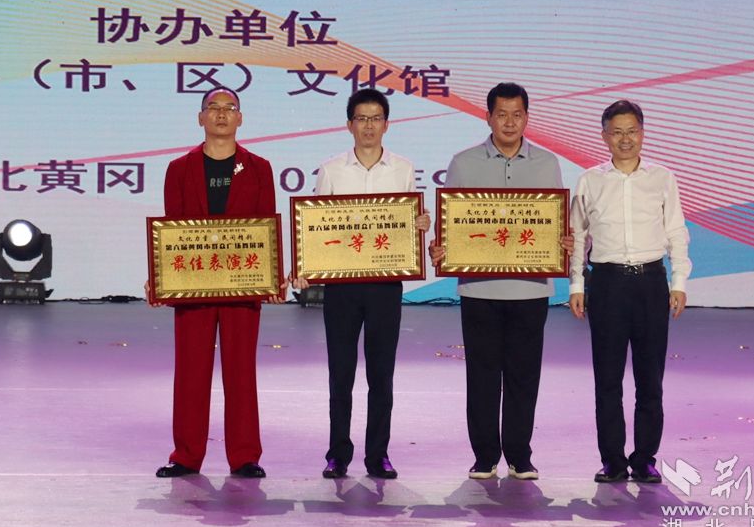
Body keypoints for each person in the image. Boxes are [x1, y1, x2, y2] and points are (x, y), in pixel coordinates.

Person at [430, 82, 569, 481]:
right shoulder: (463, 162)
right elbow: (449, 226)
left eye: (517, 114)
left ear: (527, 118)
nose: (510, 122)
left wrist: (564, 241)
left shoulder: (547, 163)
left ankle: (520, 455)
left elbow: (556, 223)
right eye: (502, 114)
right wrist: (440, 249)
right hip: (479, 288)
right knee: (482, 374)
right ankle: (485, 455)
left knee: (525, 374)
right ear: (488, 117)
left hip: (530, 287)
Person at [149, 86, 287, 478]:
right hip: (194, 283)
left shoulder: (259, 168)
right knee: (190, 371)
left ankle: (245, 456)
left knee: (241, 371)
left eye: (230, 108)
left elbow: (266, 227)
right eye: (213, 108)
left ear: (240, 118)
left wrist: (272, 278)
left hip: (243, 284)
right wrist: (162, 276)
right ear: (201, 117)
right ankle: (186, 455)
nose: (222, 114)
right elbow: (173, 230)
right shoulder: (180, 168)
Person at [292, 88, 430, 480]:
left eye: (376, 119)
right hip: (343, 287)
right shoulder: (332, 169)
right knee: (341, 373)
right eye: (362, 119)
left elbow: (405, 225)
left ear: (387, 124)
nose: (369, 126)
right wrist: (306, 265)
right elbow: (316, 225)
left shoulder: (403, 168)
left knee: (381, 375)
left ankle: (378, 455)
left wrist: (420, 223)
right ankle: (338, 454)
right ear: (349, 125)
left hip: (385, 284)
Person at [568, 99, 691, 484]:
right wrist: (576, 283)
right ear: (604, 136)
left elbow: (676, 232)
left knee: (650, 378)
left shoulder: (662, 178)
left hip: (650, 282)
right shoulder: (590, 180)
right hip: (606, 283)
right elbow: (578, 237)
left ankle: (644, 459)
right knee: (607, 379)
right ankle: (613, 461)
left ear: (642, 132)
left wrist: (679, 282)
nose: (625, 139)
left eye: (632, 131)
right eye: (617, 132)